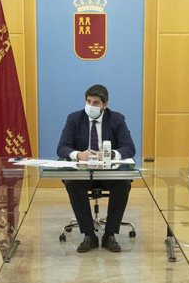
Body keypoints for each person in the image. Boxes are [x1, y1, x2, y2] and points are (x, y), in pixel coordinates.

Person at [56, 84, 137, 253]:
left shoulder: (116, 119)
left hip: (109, 173)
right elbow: (62, 148)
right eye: (88, 101)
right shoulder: (74, 118)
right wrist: (79, 155)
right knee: (72, 183)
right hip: (83, 173)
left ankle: (110, 235)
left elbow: (129, 148)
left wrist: (110, 154)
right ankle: (89, 235)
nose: (91, 106)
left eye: (96, 103)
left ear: (105, 104)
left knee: (123, 183)